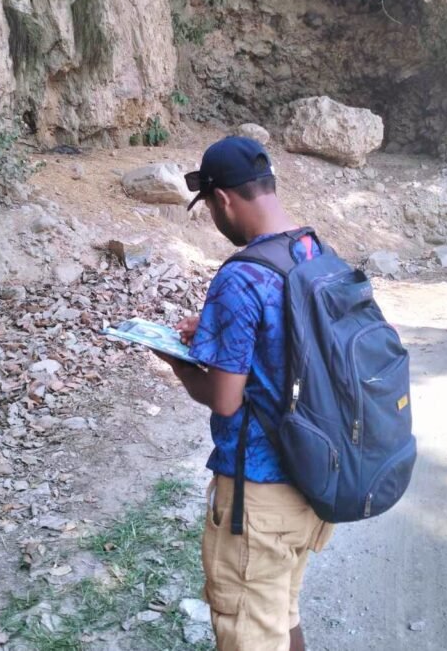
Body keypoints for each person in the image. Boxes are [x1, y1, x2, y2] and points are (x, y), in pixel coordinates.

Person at [154, 135, 334, 651]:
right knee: (282, 613)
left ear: (223, 199)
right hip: (314, 481)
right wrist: (215, 332)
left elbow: (225, 399)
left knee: (251, 632)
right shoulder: (314, 251)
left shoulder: (243, 276)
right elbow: (286, 345)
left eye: (211, 208)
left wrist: (177, 363)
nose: (215, 219)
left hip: (259, 498)